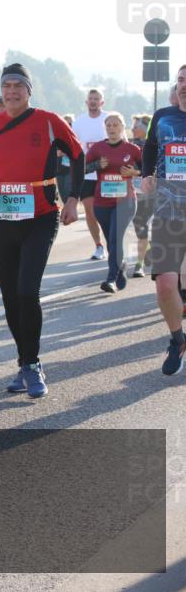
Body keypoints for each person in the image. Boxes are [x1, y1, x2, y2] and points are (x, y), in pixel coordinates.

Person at [0, 64, 83, 399]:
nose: (13, 91)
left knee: (27, 290)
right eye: (8, 86)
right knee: (9, 297)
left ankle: (31, 366)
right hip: (3, 218)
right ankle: (25, 362)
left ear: (29, 90)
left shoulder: (48, 120)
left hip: (41, 215)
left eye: (19, 85)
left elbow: (77, 155)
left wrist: (73, 199)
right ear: (1, 92)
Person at [141, 64, 186, 376]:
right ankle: (177, 338)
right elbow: (150, 147)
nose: (184, 85)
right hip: (167, 213)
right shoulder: (162, 116)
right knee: (165, 286)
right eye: (181, 80)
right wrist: (146, 174)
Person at [85, 113, 141, 293]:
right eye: (108, 125)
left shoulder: (132, 149)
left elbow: (147, 168)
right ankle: (121, 265)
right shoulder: (97, 148)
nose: (111, 128)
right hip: (102, 201)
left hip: (126, 200)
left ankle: (111, 279)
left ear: (122, 127)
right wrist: (97, 166)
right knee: (111, 241)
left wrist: (135, 172)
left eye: (115, 125)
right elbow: (82, 169)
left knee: (116, 236)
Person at [73, 89, 108, 260]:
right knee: (90, 211)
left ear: (102, 102)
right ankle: (99, 245)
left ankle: (113, 243)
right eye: (90, 99)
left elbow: (121, 142)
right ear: (86, 102)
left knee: (107, 213)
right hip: (87, 175)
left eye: (97, 99)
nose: (93, 102)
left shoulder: (109, 120)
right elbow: (75, 151)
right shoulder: (78, 123)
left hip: (108, 175)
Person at [130, 114, 154, 277]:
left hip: (151, 191)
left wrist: (137, 172)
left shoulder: (152, 145)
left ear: (145, 129)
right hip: (132, 191)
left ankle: (140, 262)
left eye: (136, 127)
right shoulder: (129, 144)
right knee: (139, 224)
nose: (132, 129)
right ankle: (148, 248)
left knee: (142, 223)